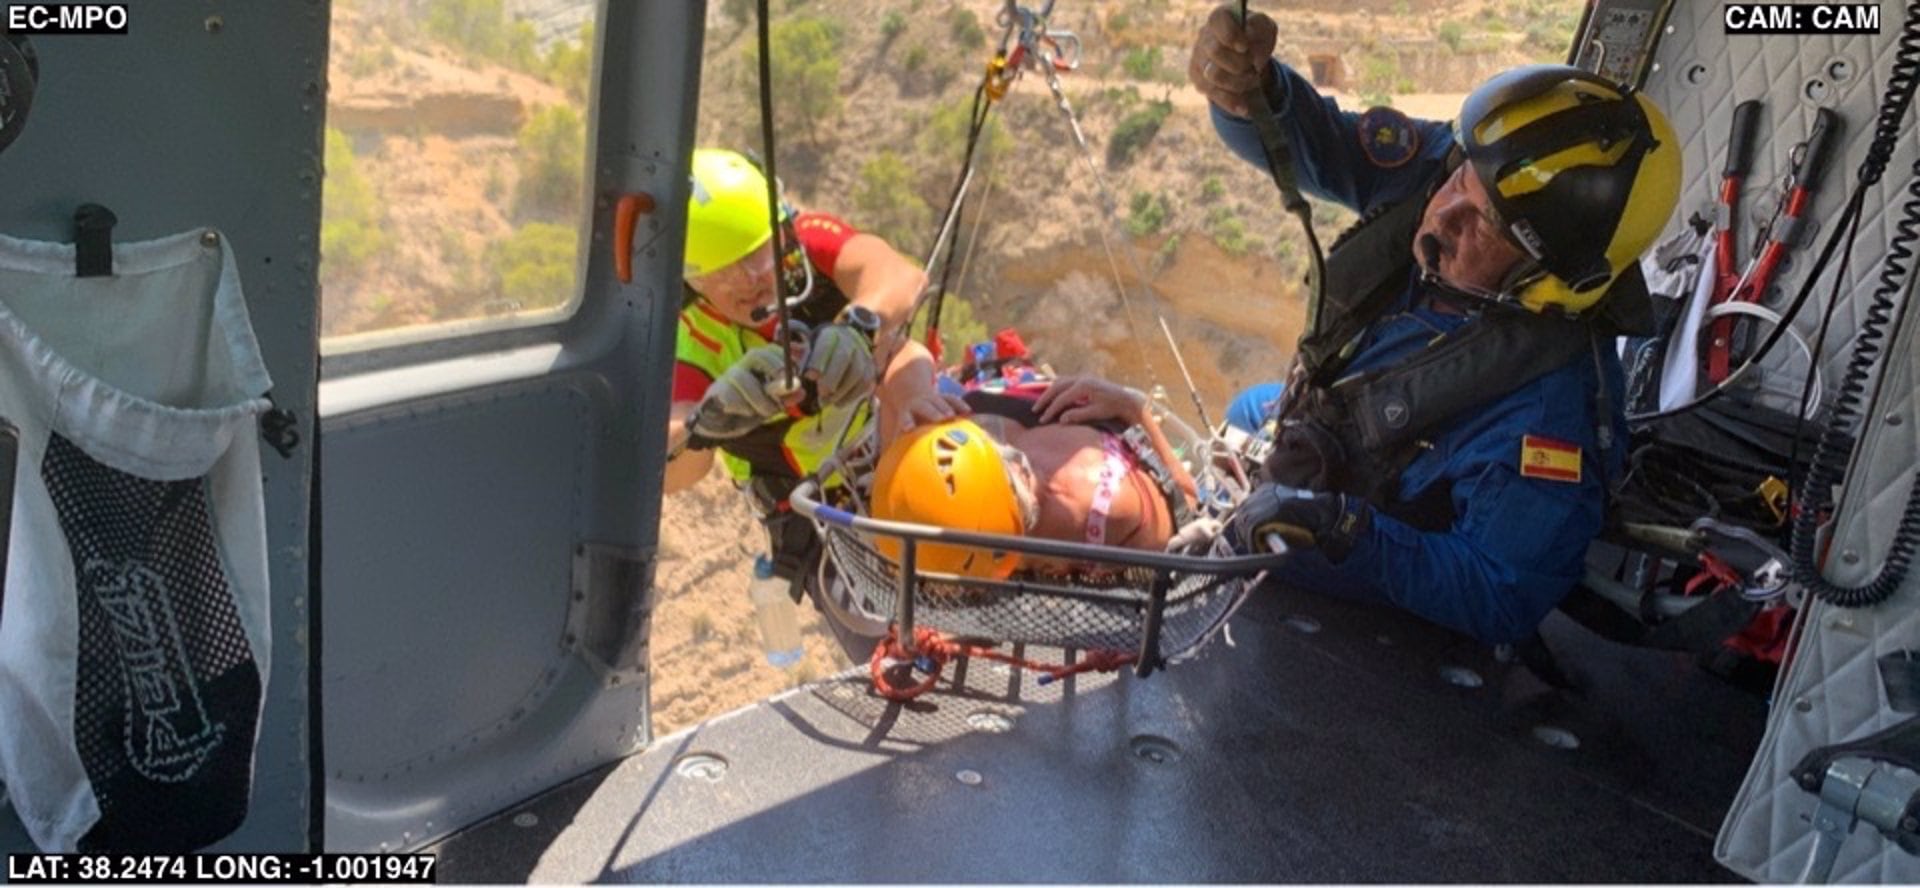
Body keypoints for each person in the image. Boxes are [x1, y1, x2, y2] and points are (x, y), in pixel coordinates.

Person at [1186, 7, 1681, 644]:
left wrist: (1346, 530)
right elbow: (1322, 143)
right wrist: (1247, 94)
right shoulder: (1459, 175)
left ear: (1546, 281)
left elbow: (1500, 592)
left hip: (1362, 557)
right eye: (1458, 181)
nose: (1444, 215)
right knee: (1247, 410)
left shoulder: (1550, 416)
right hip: (1313, 454)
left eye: (1488, 226)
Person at [665, 147, 924, 590]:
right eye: (723, 276)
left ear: (780, 234)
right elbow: (673, 467)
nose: (751, 282)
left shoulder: (807, 247)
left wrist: (858, 327)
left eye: (758, 257)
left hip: (894, 449)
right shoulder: (697, 340)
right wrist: (703, 424)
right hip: (818, 516)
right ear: (694, 284)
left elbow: (900, 275)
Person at [864, 338, 1197, 577]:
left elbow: (895, 351)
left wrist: (914, 397)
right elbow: (1187, 500)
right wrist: (1133, 410)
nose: (1020, 464)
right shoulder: (1102, 508)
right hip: (1075, 419)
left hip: (1058, 413)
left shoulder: (1100, 502)